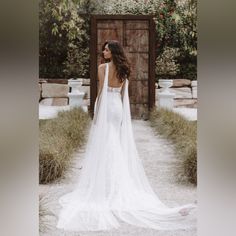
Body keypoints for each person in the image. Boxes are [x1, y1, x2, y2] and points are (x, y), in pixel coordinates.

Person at [56, 40, 197, 232]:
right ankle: (116, 184)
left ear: (112, 52)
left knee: (105, 143)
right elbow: (122, 94)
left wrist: (97, 113)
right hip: (117, 107)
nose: (103, 51)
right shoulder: (123, 70)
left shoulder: (102, 68)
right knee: (113, 142)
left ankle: (107, 187)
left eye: (106, 49)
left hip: (106, 105)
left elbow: (101, 92)